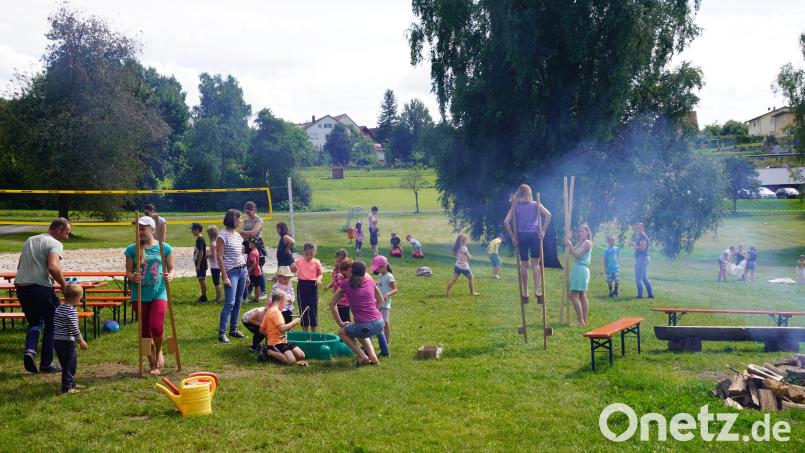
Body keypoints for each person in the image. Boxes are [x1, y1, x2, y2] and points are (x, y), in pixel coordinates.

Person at [16, 218, 71, 374]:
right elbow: (53, 267)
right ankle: (47, 364)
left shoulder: (30, 240)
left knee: (35, 321)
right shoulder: (55, 244)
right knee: (54, 322)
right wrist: (65, 286)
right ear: (58, 229)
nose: (66, 237)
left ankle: (30, 351)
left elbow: (20, 266)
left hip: (21, 287)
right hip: (41, 288)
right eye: (66, 233)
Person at [125, 216, 175, 374]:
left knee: (156, 327)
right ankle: (152, 363)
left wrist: (170, 276)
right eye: (138, 228)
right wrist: (133, 277)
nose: (140, 231)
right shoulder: (131, 249)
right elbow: (127, 272)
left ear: (152, 229)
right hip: (139, 294)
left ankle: (159, 350)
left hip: (159, 292)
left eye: (143, 228)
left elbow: (172, 269)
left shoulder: (164, 247)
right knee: (144, 331)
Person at [329, 260, 385, 366]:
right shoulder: (369, 278)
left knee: (342, 332)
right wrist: (374, 314)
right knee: (359, 329)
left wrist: (340, 323)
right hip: (380, 323)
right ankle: (373, 358)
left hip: (365, 326)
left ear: (350, 270)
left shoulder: (345, 283)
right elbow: (381, 300)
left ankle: (363, 357)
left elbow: (331, 304)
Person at [503, 184, 552, 298]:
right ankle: (536, 290)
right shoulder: (535, 204)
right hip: (534, 235)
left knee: (524, 264)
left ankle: (525, 292)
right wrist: (543, 231)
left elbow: (506, 222)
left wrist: (513, 237)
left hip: (521, 235)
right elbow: (549, 215)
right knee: (535, 264)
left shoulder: (515, 206)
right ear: (529, 193)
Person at [216, 209, 248, 344]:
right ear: (233, 220)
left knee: (238, 301)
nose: (241, 221)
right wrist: (225, 276)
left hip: (242, 271)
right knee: (230, 302)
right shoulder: (222, 236)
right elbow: (220, 256)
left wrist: (246, 274)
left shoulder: (238, 236)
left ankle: (233, 330)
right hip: (231, 272)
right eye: (239, 218)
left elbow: (240, 255)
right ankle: (222, 333)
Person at [53, 283, 88, 394]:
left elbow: (55, 323)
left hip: (57, 340)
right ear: (77, 299)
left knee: (67, 363)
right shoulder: (71, 311)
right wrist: (81, 341)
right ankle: (67, 388)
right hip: (67, 341)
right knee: (69, 364)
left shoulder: (59, 308)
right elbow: (74, 328)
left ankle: (71, 383)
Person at [259, 291, 307, 365]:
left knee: (301, 355)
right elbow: (282, 329)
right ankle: (268, 351)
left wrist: (270, 335)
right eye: (285, 302)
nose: (285, 304)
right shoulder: (276, 312)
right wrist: (294, 322)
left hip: (283, 340)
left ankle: (276, 350)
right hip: (276, 343)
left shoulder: (270, 310)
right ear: (281, 299)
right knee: (292, 362)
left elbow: (261, 330)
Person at [292, 242, 323, 332]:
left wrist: (318, 279)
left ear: (315, 253)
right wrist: (292, 267)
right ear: (303, 252)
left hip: (312, 286)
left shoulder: (316, 262)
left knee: (313, 309)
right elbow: (291, 269)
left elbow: (320, 274)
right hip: (302, 285)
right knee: (303, 308)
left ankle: (314, 332)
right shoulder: (299, 261)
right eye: (306, 254)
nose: (309, 256)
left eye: (311, 254)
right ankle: (305, 332)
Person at [566, 224, 592, 327]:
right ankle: (583, 321)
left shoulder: (587, 243)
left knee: (573, 295)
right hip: (579, 269)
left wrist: (570, 244)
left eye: (583, 231)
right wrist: (569, 240)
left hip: (581, 270)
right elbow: (571, 251)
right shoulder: (581, 242)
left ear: (587, 232)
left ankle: (581, 320)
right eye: (579, 231)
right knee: (582, 296)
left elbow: (577, 255)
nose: (581, 233)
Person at [370, 255, 397, 357]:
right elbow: (381, 285)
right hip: (378, 302)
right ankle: (378, 341)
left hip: (385, 304)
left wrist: (387, 295)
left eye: (378, 268)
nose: (376, 270)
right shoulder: (381, 275)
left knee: (385, 322)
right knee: (377, 321)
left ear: (384, 266)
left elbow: (395, 289)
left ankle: (386, 341)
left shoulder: (389, 276)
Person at [630, 222, 654, 298]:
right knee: (644, 277)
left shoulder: (643, 237)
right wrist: (634, 245)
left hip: (642, 259)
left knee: (638, 278)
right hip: (643, 259)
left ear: (643, 228)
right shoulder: (641, 236)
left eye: (640, 228)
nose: (638, 229)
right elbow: (640, 247)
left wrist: (634, 245)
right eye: (637, 228)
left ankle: (640, 295)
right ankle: (650, 294)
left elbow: (642, 248)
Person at [331, 258, 353, 323]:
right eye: (337, 261)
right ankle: (343, 329)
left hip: (345, 302)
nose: (339, 263)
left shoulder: (347, 279)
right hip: (338, 300)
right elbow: (334, 281)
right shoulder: (336, 271)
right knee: (342, 319)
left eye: (340, 261)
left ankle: (346, 331)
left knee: (346, 320)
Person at [191, 222, 208, 303]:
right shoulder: (199, 239)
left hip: (201, 264)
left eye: (193, 230)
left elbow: (201, 252)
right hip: (200, 263)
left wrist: (198, 265)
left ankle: (204, 297)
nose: (192, 231)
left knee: (202, 279)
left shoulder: (200, 240)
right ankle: (203, 295)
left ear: (197, 230)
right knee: (201, 279)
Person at [206, 226, 223, 303]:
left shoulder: (213, 243)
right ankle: (219, 297)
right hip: (220, 263)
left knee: (216, 282)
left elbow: (213, 255)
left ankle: (218, 298)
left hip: (215, 265)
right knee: (219, 281)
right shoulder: (219, 241)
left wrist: (206, 255)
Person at [246, 238, 266, 302]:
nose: (249, 244)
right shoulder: (256, 250)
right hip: (258, 272)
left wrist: (249, 271)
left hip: (254, 272)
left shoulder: (252, 253)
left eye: (250, 243)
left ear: (253, 244)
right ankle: (257, 299)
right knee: (257, 286)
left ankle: (245, 297)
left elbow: (254, 263)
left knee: (247, 283)